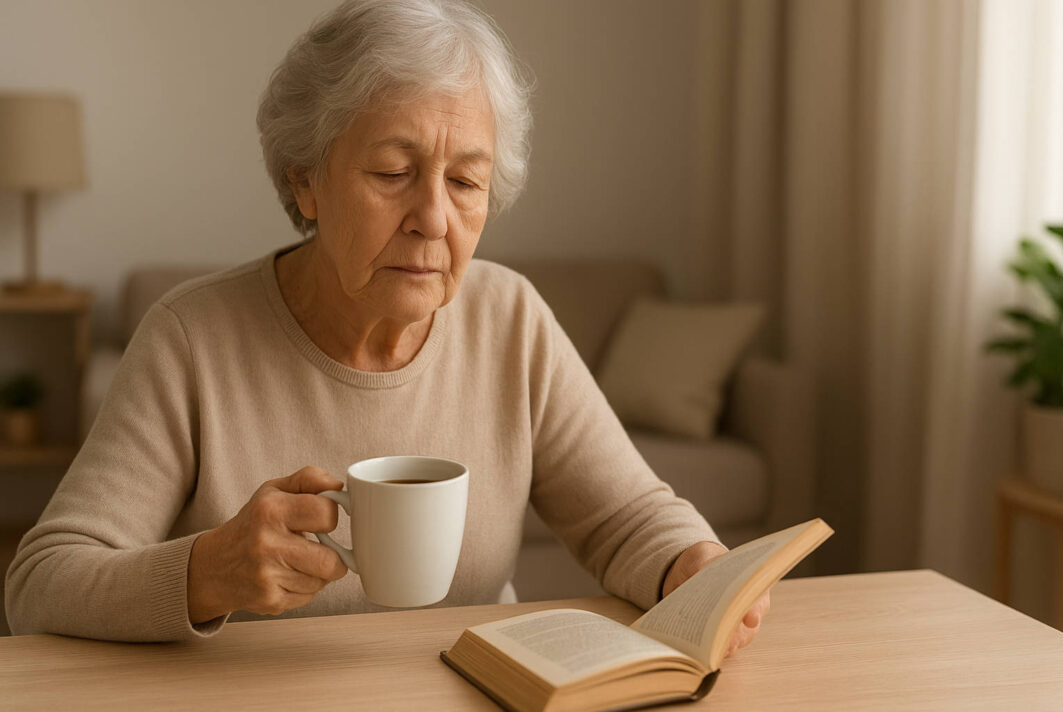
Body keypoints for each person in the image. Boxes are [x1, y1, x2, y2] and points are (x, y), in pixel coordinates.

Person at [5, 0, 768, 646]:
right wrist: (205, 572)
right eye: (392, 174)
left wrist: (690, 564)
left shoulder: (510, 319)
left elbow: (627, 517)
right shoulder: (190, 338)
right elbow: (41, 582)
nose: (433, 219)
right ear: (306, 181)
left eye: (465, 181)